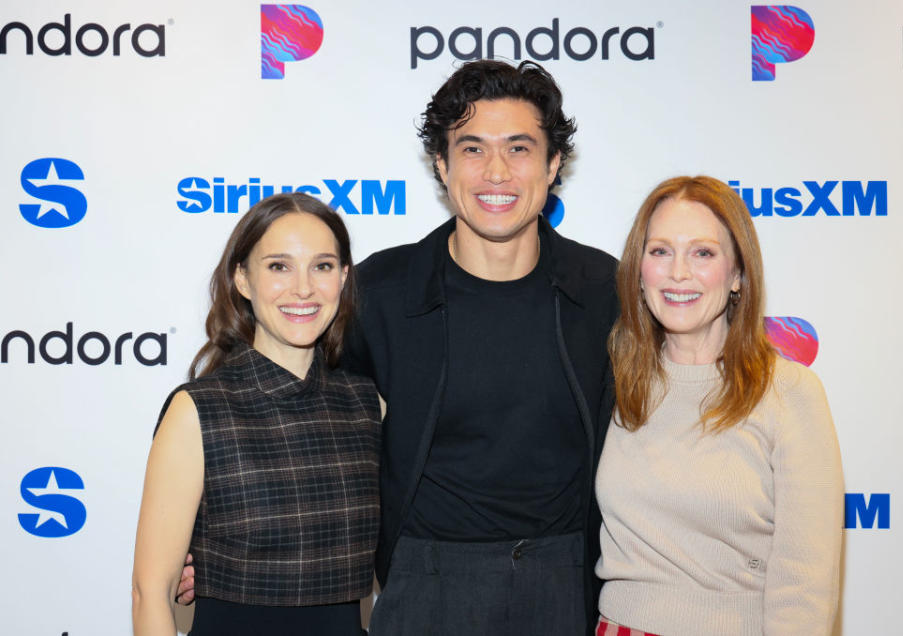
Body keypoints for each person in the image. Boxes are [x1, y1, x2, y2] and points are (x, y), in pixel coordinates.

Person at [176, 60, 618, 635]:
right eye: (473, 149)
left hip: (563, 583)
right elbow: (284, 397)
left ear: (553, 164)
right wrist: (205, 529)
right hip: (422, 580)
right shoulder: (382, 291)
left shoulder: (605, 289)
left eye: (519, 149)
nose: (496, 172)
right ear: (442, 164)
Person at [596, 176, 843, 635]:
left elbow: (805, 586)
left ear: (737, 275)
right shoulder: (615, 384)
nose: (679, 273)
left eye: (703, 253)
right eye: (660, 251)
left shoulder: (788, 392)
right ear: (639, 270)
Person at [132, 193, 380, 635]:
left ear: (343, 278)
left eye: (322, 266)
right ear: (242, 279)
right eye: (279, 266)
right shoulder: (198, 410)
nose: (303, 288)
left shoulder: (368, 405)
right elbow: (151, 592)